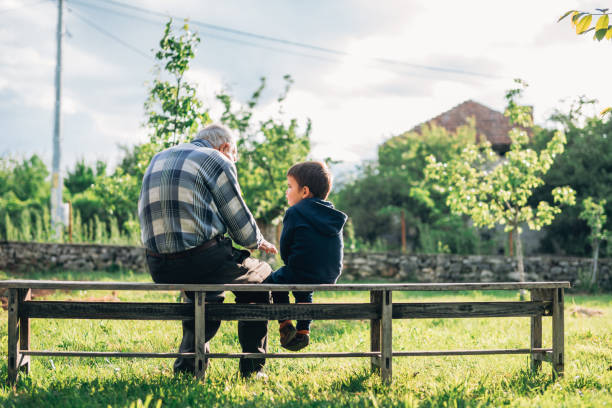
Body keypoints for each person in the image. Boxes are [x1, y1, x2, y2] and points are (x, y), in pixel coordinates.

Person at [138, 123, 277, 379]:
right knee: (261, 275)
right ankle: (252, 368)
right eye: (234, 155)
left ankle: (189, 368)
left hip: (158, 264)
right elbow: (243, 232)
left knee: (205, 291)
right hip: (201, 260)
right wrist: (258, 241)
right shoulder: (216, 159)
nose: (233, 161)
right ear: (225, 147)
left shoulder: (159, 157)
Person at [265, 161, 347, 351]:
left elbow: (285, 246)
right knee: (304, 291)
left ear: (304, 192)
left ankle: (285, 324)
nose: (287, 191)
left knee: (275, 281)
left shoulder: (294, 212)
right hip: (329, 274)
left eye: (289, 186)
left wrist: (289, 261)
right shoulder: (331, 214)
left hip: (301, 270)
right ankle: (303, 331)